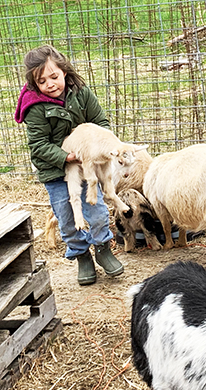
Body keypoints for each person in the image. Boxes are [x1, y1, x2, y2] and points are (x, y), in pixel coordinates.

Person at [14, 45, 124, 285]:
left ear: (64, 71)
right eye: (42, 81)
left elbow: (100, 122)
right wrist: (65, 157)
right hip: (55, 170)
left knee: (95, 211)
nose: (50, 84)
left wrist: (93, 145)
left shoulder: (81, 93)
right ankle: (81, 255)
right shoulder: (34, 107)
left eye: (54, 76)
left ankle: (103, 248)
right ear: (34, 84)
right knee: (66, 215)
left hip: (88, 163)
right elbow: (39, 145)